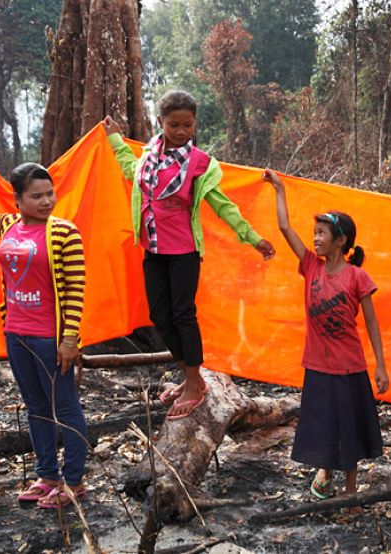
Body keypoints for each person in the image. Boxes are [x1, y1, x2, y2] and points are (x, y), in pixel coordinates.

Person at [103, 90, 275, 419]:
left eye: (188, 125)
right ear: (160, 122)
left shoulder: (199, 163)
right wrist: (113, 138)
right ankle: (190, 377)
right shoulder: (150, 157)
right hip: (153, 249)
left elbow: (222, 205)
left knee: (183, 314)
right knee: (159, 315)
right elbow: (130, 170)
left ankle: (195, 383)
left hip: (183, 251)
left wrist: (252, 237)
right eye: (174, 125)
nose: (182, 132)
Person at [0, 152, 87, 508]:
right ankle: (47, 475)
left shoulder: (65, 232)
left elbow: (76, 289)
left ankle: (75, 481)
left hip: (50, 338)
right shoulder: (7, 226)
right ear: (17, 200)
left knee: (65, 408)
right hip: (16, 333)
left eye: (49, 193)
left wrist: (69, 340)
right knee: (35, 408)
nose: (46, 201)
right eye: (36, 195)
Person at [263, 168, 389, 509]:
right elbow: (284, 228)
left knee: (348, 427)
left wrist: (381, 367)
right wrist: (279, 190)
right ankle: (325, 474)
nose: (315, 239)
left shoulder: (357, 277)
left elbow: (373, 325)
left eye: (322, 234)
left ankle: (351, 492)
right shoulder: (311, 267)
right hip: (318, 365)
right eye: (314, 233)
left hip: (349, 367)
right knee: (323, 424)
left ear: (341, 240)